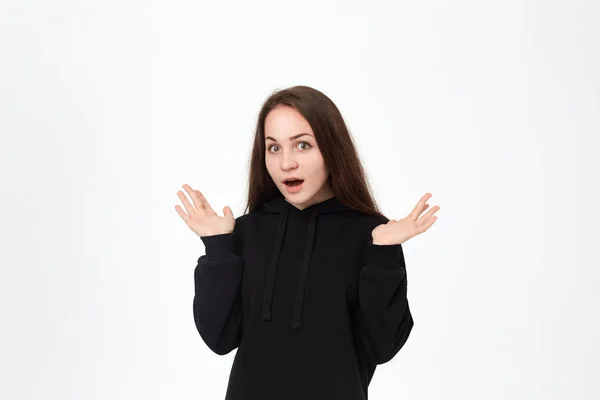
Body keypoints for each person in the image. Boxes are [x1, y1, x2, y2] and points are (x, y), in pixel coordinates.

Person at [175, 85, 440, 399]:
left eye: (302, 145)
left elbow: (381, 348)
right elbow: (219, 340)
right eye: (273, 148)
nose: (287, 163)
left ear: (332, 148)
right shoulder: (246, 233)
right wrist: (218, 248)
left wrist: (383, 255)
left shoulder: (371, 236)